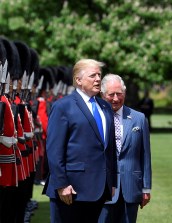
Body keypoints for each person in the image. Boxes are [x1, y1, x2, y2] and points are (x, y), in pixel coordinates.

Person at [43, 59, 117, 223]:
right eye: (93, 75)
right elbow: (54, 150)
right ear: (78, 80)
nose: (98, 79)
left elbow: (109, 148)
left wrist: (111, 181)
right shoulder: (63, 106)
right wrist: (61, 184)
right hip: (71, 189)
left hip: (99, 188)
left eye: (99, 75)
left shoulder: (105, 107)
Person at [98, 74, 152, 223]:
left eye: (119, 94)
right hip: (103, 189)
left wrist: (146, 188)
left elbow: (145, 155)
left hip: (131, 187)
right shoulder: (96, 118)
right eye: (111, 94)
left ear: (125, 93)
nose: (116, 98)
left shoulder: (138, 118)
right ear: (102, 94)